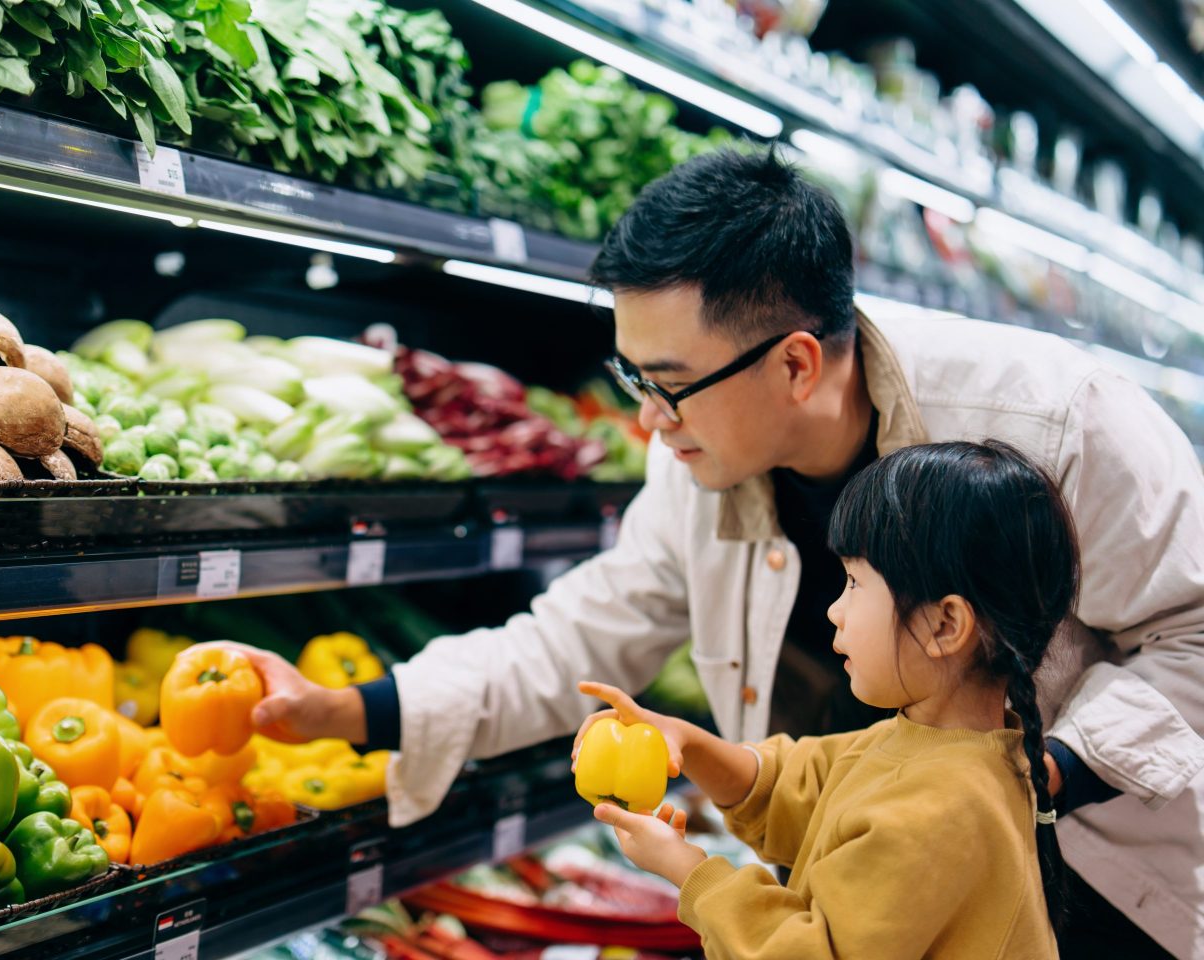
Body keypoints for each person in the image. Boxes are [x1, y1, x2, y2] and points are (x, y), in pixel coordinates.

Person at [222, 148, 1204, 958]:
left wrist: (1042, 771)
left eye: (669, 381)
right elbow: (577, 637)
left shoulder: (1052, 415)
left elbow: (1195, 631)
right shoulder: (698, 459)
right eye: (631, 375)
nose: (648, 416)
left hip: (1092, 895)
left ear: (795, 362)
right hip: (843, 881)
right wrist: (342, 710)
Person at [578, 440, 1073, 959]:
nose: (836, 611)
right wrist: (686, 743)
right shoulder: (940, 747)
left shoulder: (938, 810)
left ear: (945, 624)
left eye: (856, 583)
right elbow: (800, 785)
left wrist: (687, 870)